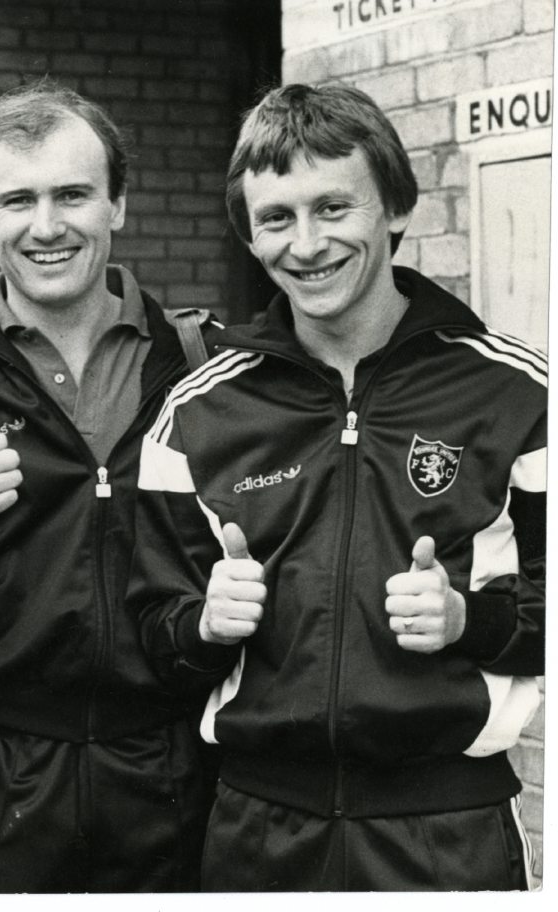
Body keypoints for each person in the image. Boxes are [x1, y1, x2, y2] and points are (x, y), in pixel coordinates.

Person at [128, 83, 544, 891]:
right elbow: (152, 631)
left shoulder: (520, 397)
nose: (307, 243)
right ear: (249, 236)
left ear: (394, 206)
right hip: (258, 829)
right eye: (277, 218)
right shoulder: (198, 411)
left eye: (333, 209)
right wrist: (203, 624)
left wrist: (470, 618)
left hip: (445, 832)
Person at [0, 79, 218, 893]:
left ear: (117, 205)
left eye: (73, 195)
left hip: (178, 763)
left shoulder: (205, 367)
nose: (47, 226)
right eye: (17, 200)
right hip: (4, 772)